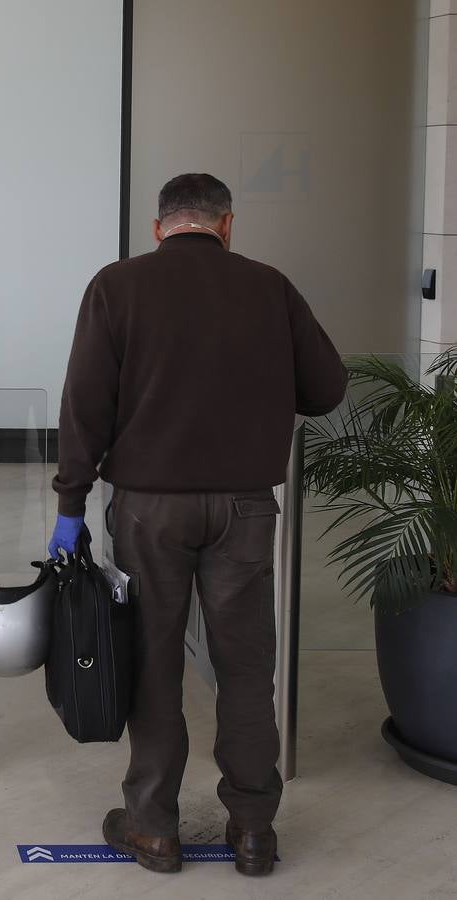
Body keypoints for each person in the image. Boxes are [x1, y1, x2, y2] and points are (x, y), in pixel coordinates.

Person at [47, 173, 347, 877]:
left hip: (150, 508)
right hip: (245, 506)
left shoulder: (117, 286)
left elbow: (84, 404)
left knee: (154, 663)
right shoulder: (268, 286)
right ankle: (253, 831)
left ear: (160, 228)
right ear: (226, 225)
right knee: (245, 668)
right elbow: (328, 388)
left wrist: (70, 506)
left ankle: (152, 827)